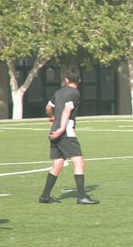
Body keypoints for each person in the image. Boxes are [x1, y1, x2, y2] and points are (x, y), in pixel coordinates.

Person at [39, 72, 98, 204]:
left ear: (66, 80)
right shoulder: (75, 93)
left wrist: (52, 118)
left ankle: (45, 196)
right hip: (65, 132)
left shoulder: (58, 93)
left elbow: (48, 107)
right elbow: (67, 110)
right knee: (79, 162)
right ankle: (82, 197)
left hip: (54, 130)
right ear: (79, 81)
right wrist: (61, 128)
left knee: (58, 163)